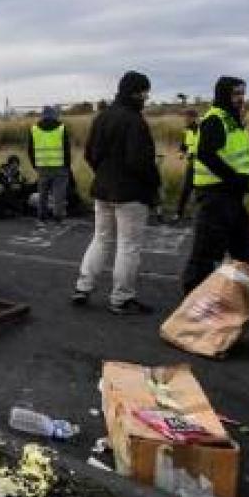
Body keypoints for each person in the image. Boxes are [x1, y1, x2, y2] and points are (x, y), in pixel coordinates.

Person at [72, 71, 160, 315]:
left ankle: (83, 286)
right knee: (128, 246)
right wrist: (154, 184)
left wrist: (104, 172)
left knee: (100, 238)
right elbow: (139, 162)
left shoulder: (102, 117)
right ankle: (121, 298)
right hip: (131, 193)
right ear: (135, 92)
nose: (146, 98)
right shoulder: (135, 121)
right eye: (144, 93)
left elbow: (90, 153)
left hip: (103, 189)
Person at [181, 77, 249, 294]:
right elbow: (206, 154)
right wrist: (234, 177)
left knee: (243, 250)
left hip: (233, 195)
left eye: (243, 93)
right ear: (223, 94)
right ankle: (193, 302)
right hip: (215, 196)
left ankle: (239, 296)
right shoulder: (215, 119)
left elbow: (240, 152)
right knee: (205, 254)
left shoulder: (233, 119)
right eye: (236, 93)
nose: (241, 98)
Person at [27, 105, 72, 222]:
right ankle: (58, 215)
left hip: (42, 166)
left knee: (43, 192)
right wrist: (67, 165)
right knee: (59, 193)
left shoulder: (34, 129)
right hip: (59, 166)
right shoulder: (61, 128)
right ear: (54, 115)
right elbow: (67, 149)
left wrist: (34, 165)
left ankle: (42, 215)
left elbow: (30, 149)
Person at [172, 109, 199, 221]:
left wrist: (191, 153)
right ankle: (179, 213)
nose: (185, 119)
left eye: (187, 117)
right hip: (192, 165)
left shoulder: (202, 129)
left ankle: (198, 215)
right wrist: (181, 153)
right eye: (185, 117)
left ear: (194, 118)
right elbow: (183, 147)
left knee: (201, 192)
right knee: (186, 190)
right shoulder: (186, 131)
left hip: (204, 167)